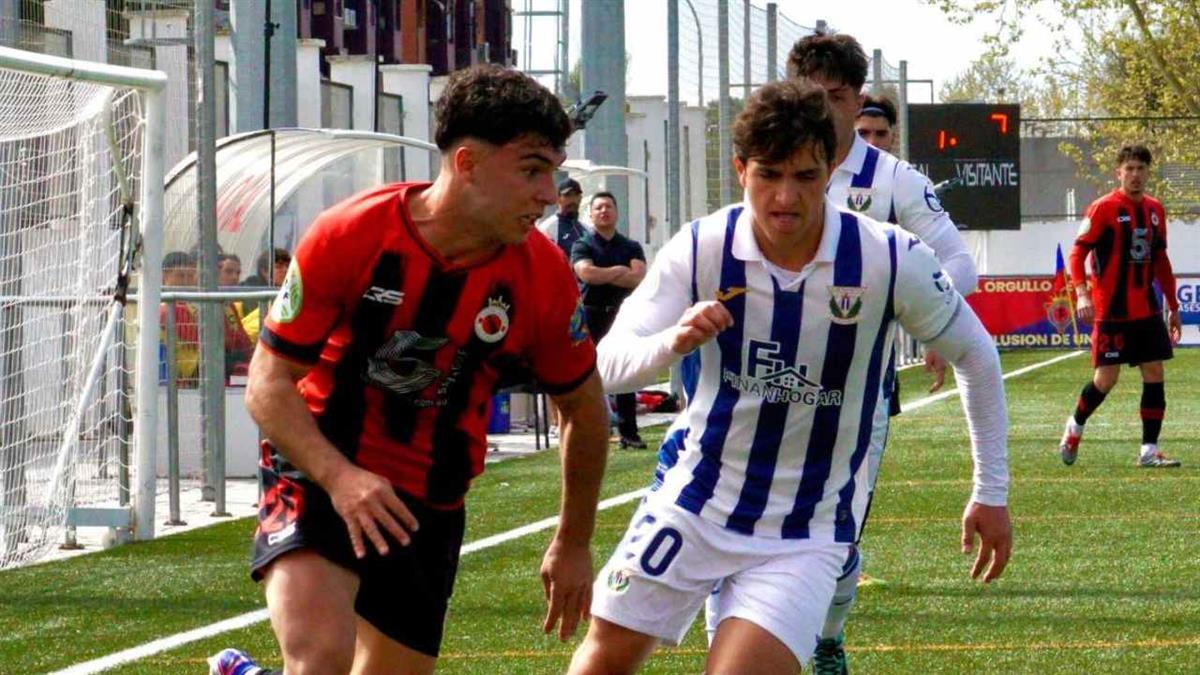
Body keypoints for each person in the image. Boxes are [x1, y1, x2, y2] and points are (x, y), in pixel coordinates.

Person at [567, 79, 1011, 675]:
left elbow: (977, 356)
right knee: (601, 661)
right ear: (740, 168)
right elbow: (609, 365)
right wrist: (672, 343)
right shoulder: (703, 246)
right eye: (768, 174)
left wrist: (991, 490)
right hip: (694, 502)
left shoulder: (887, 256)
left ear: (830, 171)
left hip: (807, 529)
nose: (785, 197)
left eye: (804, 176)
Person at [208, 64, 610, 675]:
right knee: (320, 658)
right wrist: (341, 478)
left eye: (552, 172)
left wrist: (574, 541)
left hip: (431, 500)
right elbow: (268, 384)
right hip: (321, 470)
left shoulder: (545, 276)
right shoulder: (351, 234)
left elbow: (583, 409)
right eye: (531, 169)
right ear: (468, 163)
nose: (549, 194)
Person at [757, 33, 984, 672]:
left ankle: (827, 638)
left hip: (858, 389)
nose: (822, 110)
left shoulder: (891, 179)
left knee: (838, 530)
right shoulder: (768, 164)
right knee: (754, 525)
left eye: (835, 98)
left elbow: (958, 262)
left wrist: (930, 314)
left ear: (856, 101)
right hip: (768, 374)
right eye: (810, 95)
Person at [1059, 143, 1183, 468]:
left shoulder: (1155, 210)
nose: (1135, 175)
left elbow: (1160, 261)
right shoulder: (1103, 208)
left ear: (1148, 172)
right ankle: (1075, 426)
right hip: (1112, 311)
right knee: (1105, 379)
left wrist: (1173, 305)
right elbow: (1077, 253)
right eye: (1129, 169)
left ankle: (1149, 450)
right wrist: (1082, 294)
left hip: (1147, 310)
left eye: (1141, 168)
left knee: (1154, 372)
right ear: (1119, 173)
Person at [571, 191, 648, 450]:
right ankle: (590, 431)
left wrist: (608, 274)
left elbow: (637, 277)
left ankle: (629, 433)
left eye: (609, 207)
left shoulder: (631, 246)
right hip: (590, 314)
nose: (604, 211)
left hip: (621, 313)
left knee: (625, 372)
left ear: (616, 212)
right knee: (587, 373)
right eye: (599, 207)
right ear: (591, 214)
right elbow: (586, 273)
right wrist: (618, 271)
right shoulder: (582, 245)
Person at [160, 250, 200, 384]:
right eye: (181, 275)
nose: (187, 281)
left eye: (191, 276)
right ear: (164, 276)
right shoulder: (165, 308)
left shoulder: (192, 306)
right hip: (187, 374)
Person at [239, 249, 293, 343]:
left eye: (288, 266)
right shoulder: (253, 298)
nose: (286, 270)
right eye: (279, 266)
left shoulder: (289, 294)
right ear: (264, 272)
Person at [218, 253, 254, 378]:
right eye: (228, 272)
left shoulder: (229, 305)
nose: (235, 277)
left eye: (238, 273)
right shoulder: (200, 304)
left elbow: (244, 340)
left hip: (232, 360)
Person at [537, 177, 590, 259]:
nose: (572, 199)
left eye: (576, 195)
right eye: (567, 195)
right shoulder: (548, 228)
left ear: (580, 198)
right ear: (558, 199)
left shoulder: (587, 228)